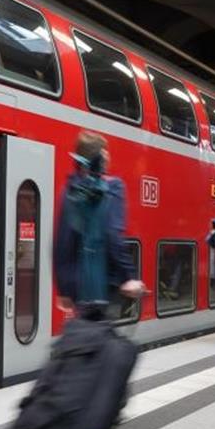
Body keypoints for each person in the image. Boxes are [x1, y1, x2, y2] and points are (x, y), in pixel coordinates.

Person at [54, 131, 146, 319]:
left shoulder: (69, 190)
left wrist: (64, 289)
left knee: (83, 341)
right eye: (105, 152)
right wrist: (128, 278)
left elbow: (62, 244)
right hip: (103, 288)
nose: (108, 156)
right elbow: (113, 234)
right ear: (101, 157)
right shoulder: (113, 187)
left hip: (77, 290)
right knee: (103, 342)